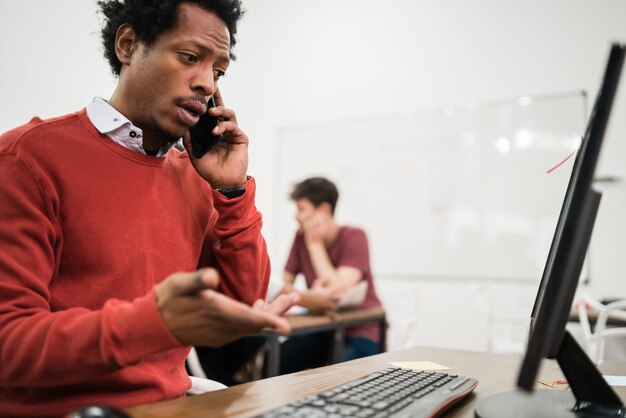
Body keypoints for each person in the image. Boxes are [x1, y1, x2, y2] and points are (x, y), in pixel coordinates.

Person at [0, 1, 298, 417]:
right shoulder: (28, 159)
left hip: (172, 408)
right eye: (190, 58)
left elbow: (244, 302)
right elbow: (8, 341)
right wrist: (153, 323)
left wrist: (231, 190)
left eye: (218, 72)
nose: (206, 85)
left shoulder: (195, 176)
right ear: (128, 45)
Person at [277, 177, 385, 374]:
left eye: (301, 209)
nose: (296, 217)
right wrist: (311, 294)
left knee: (337, 373)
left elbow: (339, 288)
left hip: (359, 331)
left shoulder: (355, 236)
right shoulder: (299, 237)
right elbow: (283, 284)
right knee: (280, 358)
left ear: (324, 210)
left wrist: (315, 244)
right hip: (322, 329)